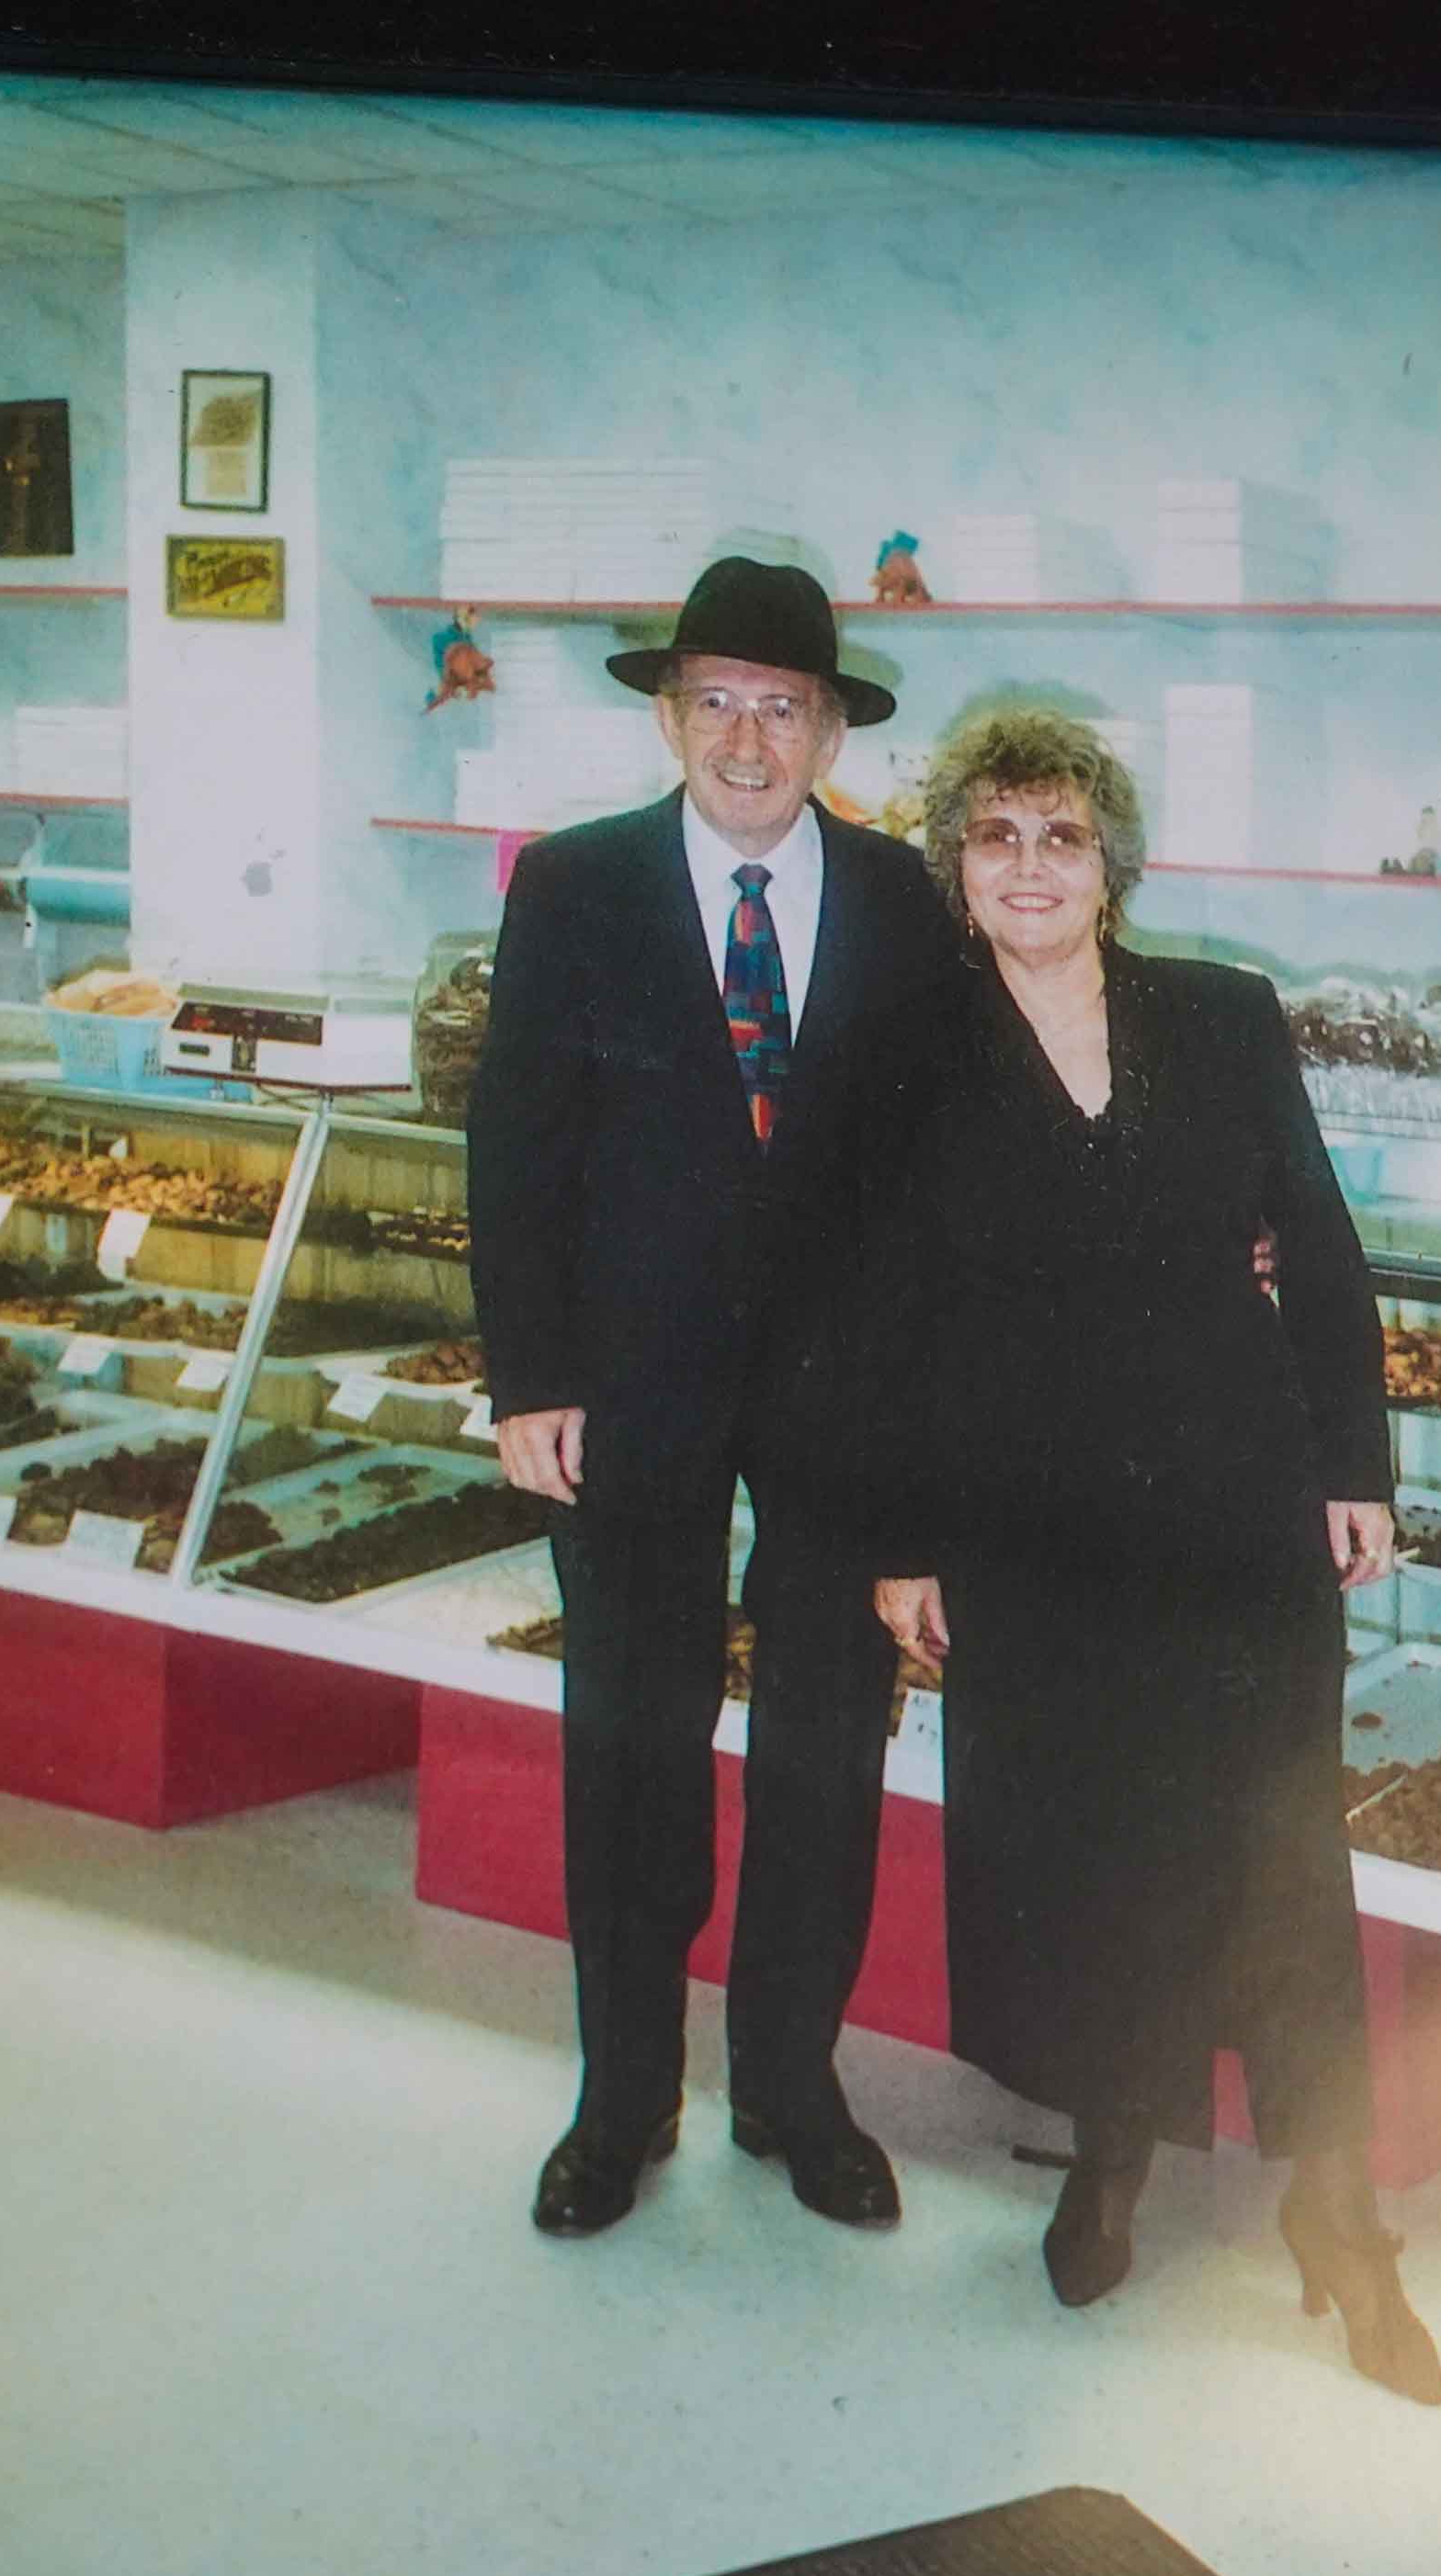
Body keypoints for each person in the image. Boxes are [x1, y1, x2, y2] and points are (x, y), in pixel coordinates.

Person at [770, 706, 1441, 2404]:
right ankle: (1112, 2157)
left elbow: (1318, 1237)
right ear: (955, 868)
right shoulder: (904, 1046)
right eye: (994, 838)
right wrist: (899, 1539)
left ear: (1109, 863)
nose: (1028, 868)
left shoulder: (1219, 1015)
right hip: (1027, 1524)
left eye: (1060, 836)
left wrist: (1351, 1464)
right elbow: (876, 1313)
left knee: (1279, 1858)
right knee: (1089, 1852)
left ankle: (1340, 2210)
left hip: (1234, 1502)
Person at [465, 557, 923, 2240]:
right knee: (628, 1741)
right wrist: (531, 1376)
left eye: (781, 708)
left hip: (843, 1396)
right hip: (628, 1387)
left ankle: (793, 2090)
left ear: (829, 733)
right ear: (667, 716)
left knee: (824, 1746)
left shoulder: (903, 895)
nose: (746, 739)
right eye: (716, 701)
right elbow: (516, 1142)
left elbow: (951, 1145)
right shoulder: (572, 885)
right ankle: (622, 2102)